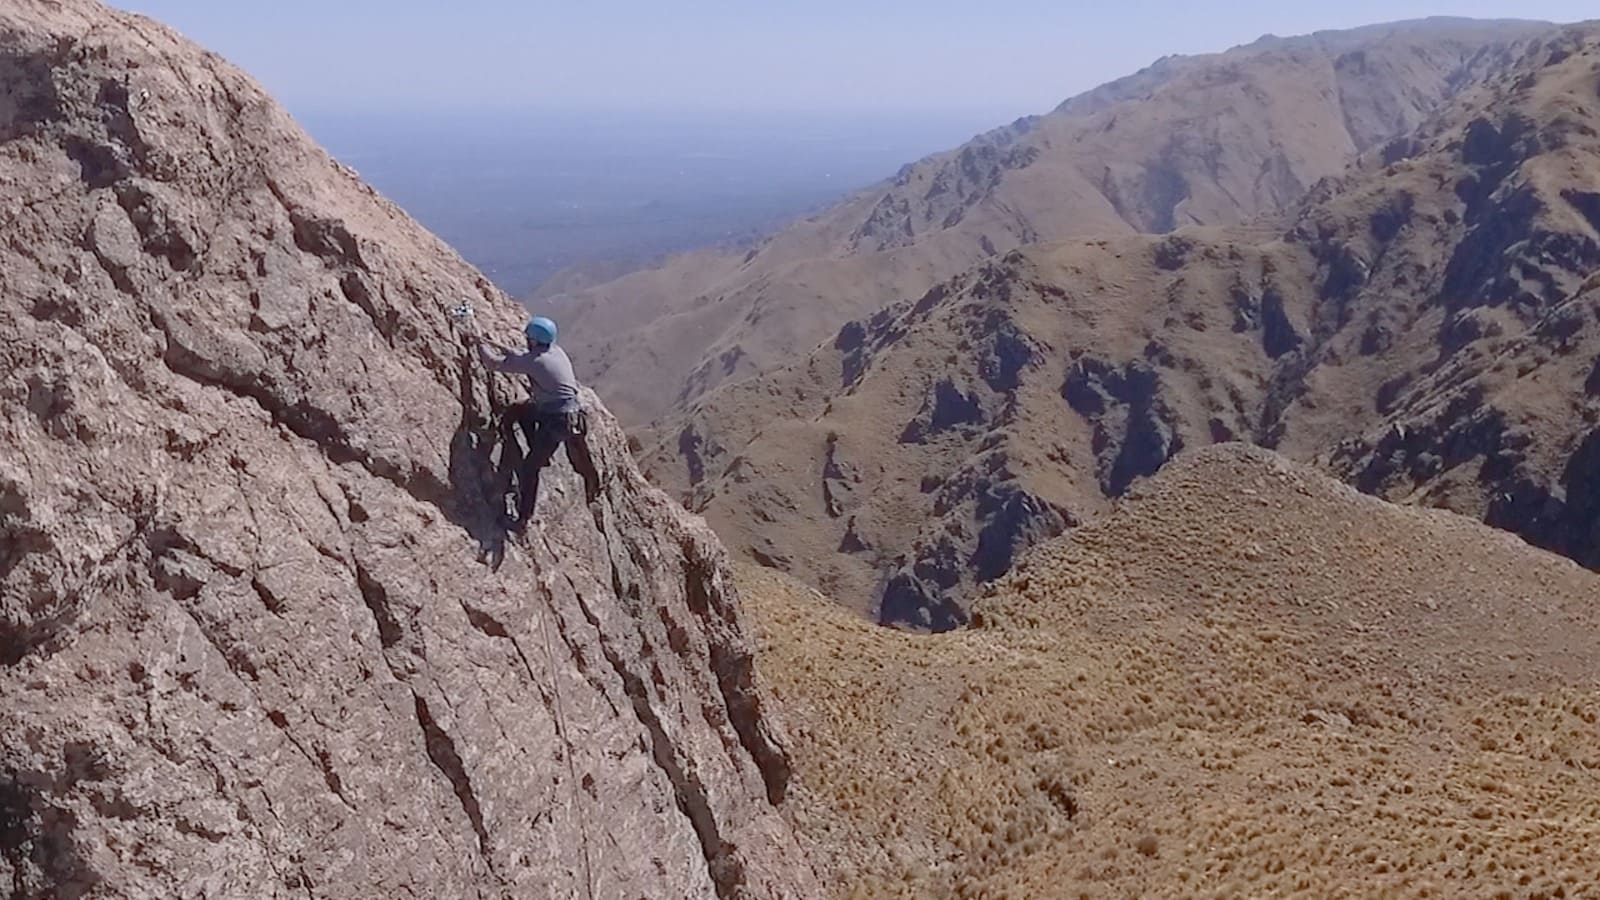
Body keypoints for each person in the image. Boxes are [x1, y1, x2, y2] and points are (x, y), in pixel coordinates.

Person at [476, 316, 601, 530]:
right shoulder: (555, 351)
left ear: (533, 341)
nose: (526, 340)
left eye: (528, 338)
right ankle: (538, 451)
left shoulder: (535, 361)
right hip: (567, 414)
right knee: (521, 411)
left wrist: (478, 344)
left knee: (529, 468)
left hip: (556, 421)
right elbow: (523, 356)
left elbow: (492, 363)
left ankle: (523, 519)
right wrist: (501, 346)